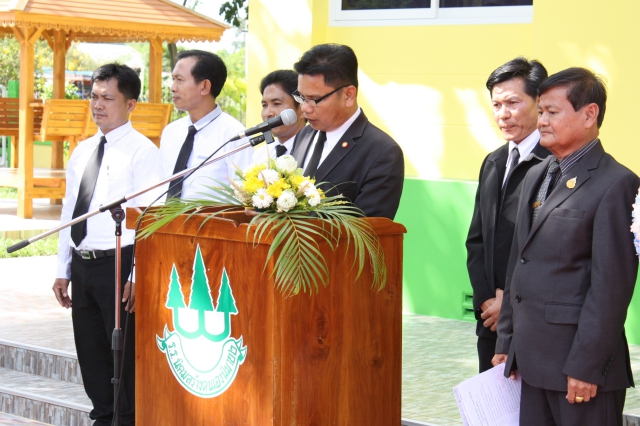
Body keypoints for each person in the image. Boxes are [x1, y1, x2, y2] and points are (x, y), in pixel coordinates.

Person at [493, 67, 640, 426]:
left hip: (579, 372)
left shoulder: (617, 183)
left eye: (552, 112)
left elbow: (610, 288)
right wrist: (506, 343)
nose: (542, 121)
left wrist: (586, 366)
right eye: (541, 111)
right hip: (530, 363)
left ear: (589, 114)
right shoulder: (537, 174)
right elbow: (518, 265)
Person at [52, 63, 163, 426]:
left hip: (119, 262)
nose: (97, 105)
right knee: (91, 353)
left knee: (122, 357)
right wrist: (63, 268)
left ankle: (125, 419)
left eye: (108, 98)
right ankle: (102, 417)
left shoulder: (142, 151)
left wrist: (138, 274)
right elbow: (70, 211)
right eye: (94, 96)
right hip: (82, 264)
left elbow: (149, 218)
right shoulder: (82, 150)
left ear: (130, 104)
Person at [465, 57, 550, 373]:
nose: (503, 114)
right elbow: (477, 241)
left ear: (540, 103)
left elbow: (546, 250)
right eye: (496, 104)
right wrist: (486, 299)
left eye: (513, 103)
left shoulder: (554, 163)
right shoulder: (493, 162)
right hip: (491, 322)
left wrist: (510, 303)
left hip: (533, 322)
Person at [289, 43, 404, 220]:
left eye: (314, 99)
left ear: (348, 95)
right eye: (301, 97)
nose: (304, 108)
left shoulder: (382, 152)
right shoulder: (304, 136)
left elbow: (366, 230)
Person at [160, 50, 252, 200]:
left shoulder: (235, 136)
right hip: (166, 215)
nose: (173, 87)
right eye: (173, 79)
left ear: (204, 86)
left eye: (179, 80)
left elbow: (243, 197)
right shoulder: (171, 131)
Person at [251, 70, 307, 164]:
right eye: (264, 105)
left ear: (301, 108)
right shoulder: (260, 155)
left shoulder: (314, 151)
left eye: (277, 104)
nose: (268, 113)